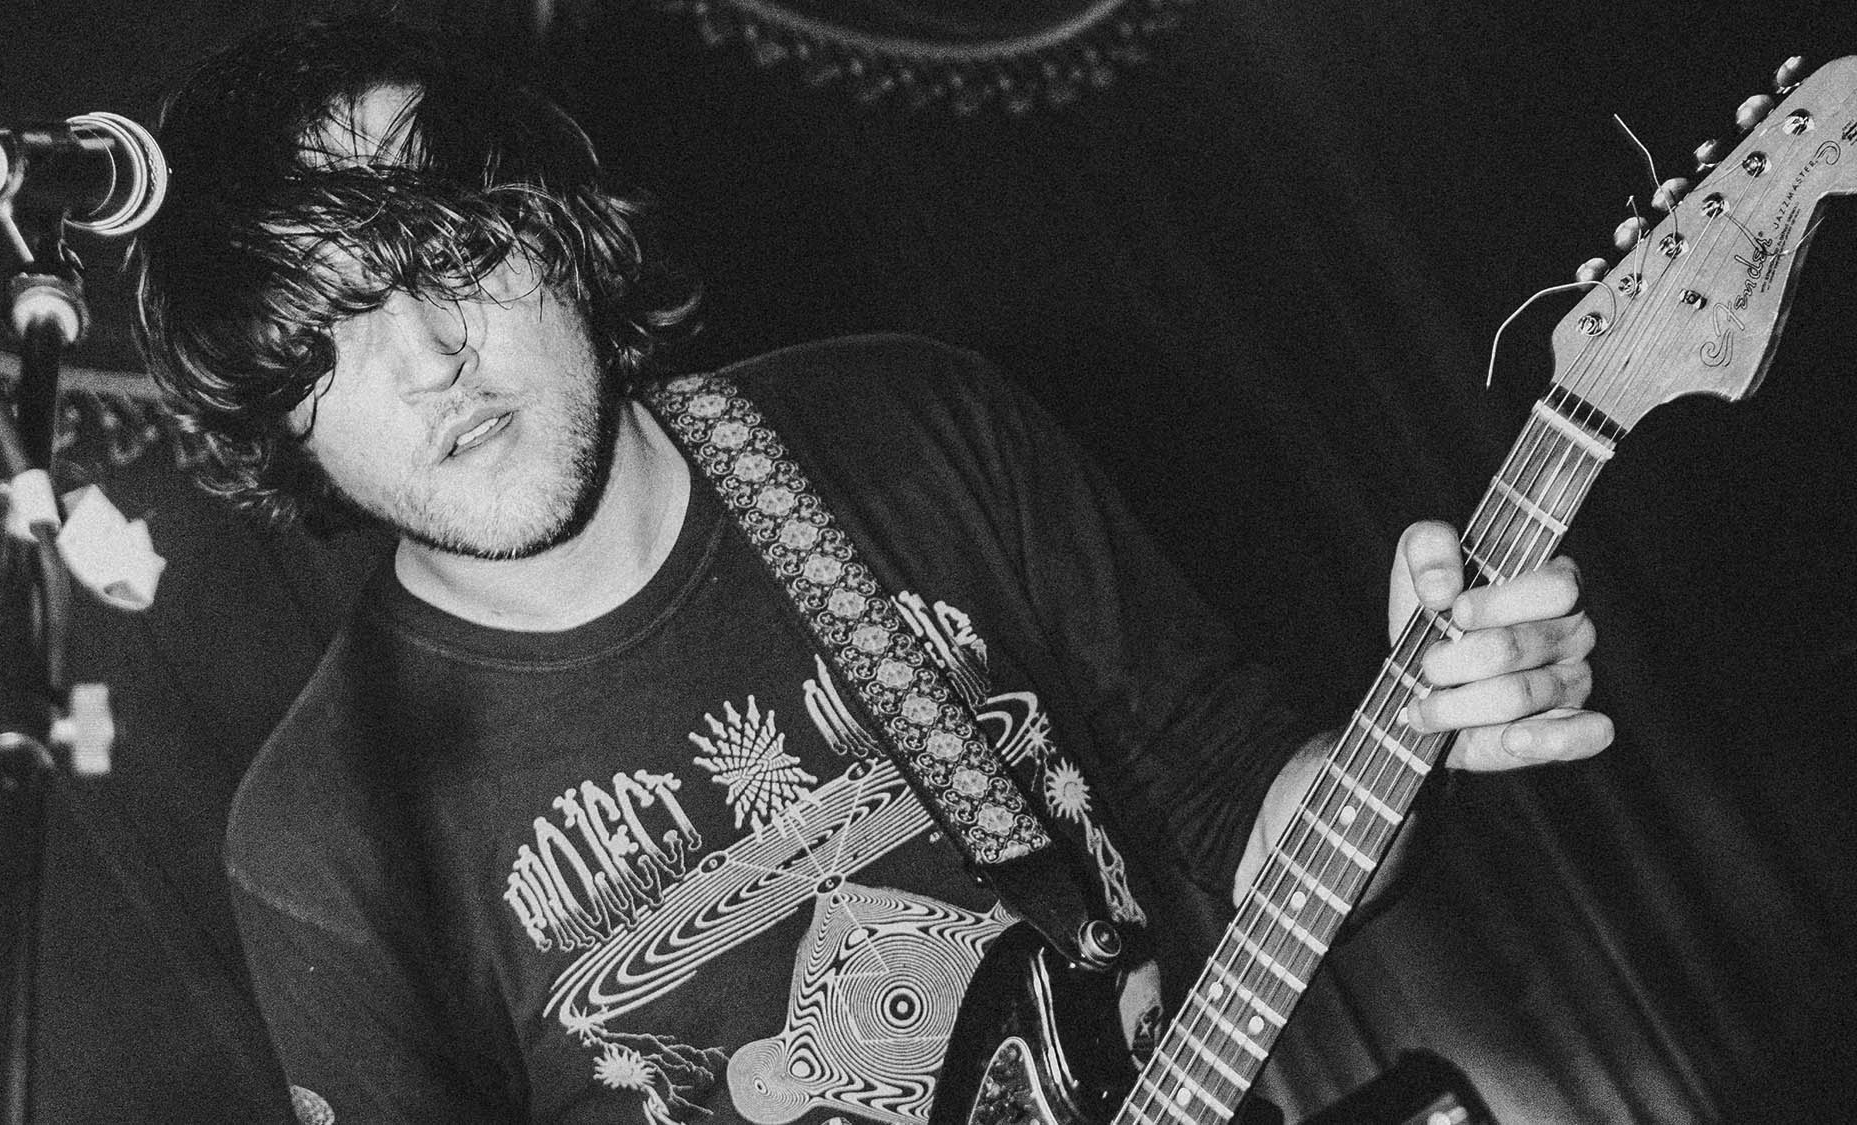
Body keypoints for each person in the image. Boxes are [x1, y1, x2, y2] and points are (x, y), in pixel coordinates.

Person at [136, 14, 1608, 1124]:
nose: (428, 354)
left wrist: (1418, 724)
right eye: (321, 328)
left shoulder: (913, 425)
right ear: (274, 410)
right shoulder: (327, 828)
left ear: (558, 228)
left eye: (450, 249)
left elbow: (1250, 823)